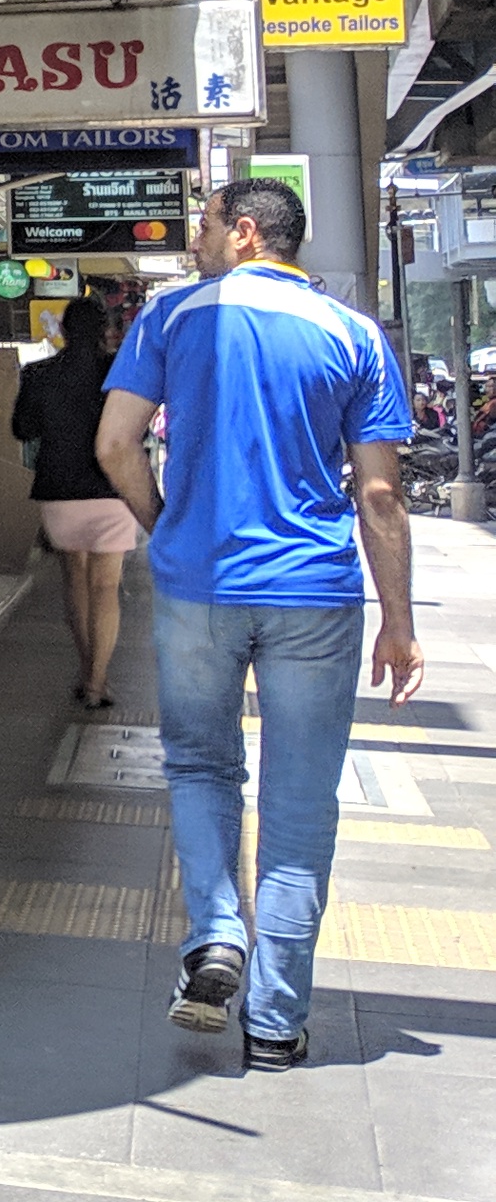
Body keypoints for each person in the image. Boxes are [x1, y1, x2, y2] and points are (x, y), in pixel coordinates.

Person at [95, 176, 426, 1071]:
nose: (195, 241)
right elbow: (381, 493)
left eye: (205, 226)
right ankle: (277, 1024)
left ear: (245, 232)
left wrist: (167, 528)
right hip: (315, 594)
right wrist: (398, 621)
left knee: (201, 765)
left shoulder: (171, 318)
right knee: (300, 799)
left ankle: (216, 935)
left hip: (199, 586)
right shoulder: (353, 334)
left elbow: (115, 445)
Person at [16, 297, 134, 709]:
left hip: (60, 491)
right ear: (106, 332)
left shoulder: (39, 374)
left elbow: (23, 428)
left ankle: (88, 671)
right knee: (106, 587)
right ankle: (97, 682)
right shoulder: (119, 374)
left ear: (63, 331)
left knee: (76, 582)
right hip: (112, 489)